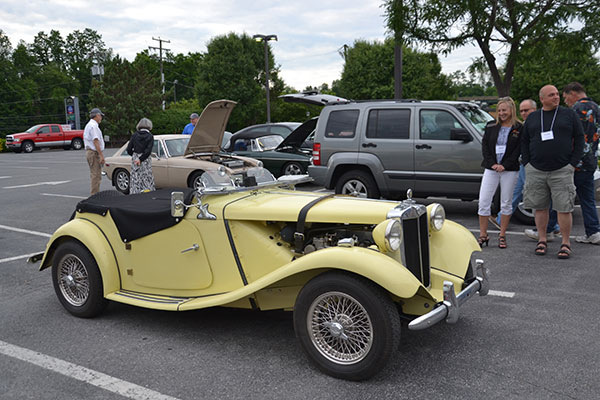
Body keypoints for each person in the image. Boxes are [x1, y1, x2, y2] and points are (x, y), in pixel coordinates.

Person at [521, 85, 585, 258]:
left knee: (564, 208)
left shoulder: (569, 114)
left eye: (557, 94)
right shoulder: (534, 117)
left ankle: (565, 243)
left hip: (562, 170)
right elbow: (524, 141)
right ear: (542, 99)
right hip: (536, 170)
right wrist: (527, 163)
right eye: (551, 95)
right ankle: (542, 239)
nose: (556, 97)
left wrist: (572, 163)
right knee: (540, 208)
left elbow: (580, 138)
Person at [494, 99, 560, 241]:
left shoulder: (540, 124)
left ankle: (552, 227)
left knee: (537, 195)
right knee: (517, 191)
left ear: (535, 110)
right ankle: (500, 219)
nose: (524, 113)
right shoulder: (524, 125)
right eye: (522, 111)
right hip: (524, 164)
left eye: (527, 110)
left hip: (534, 166)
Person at [477, 97, 522, 248]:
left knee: (506, 203)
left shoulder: (519, 128)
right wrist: (492, 164)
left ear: (511, 111)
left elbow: (518, 150)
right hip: (492, 169)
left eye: (504, 110)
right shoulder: (490, 126)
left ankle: (502, 235)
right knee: (484, 201)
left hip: (509, 170)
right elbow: (485, 147)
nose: (501, 113)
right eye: (499, 110)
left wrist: (505, 165)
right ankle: (483, 234)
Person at [562, 82, 600, 244]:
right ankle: (594, 231)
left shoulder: (576, 110)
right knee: (587, 199)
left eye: (565, 97)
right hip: (591, 160)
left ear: (573, 93)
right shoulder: (597, 108)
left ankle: (549, 228)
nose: (565, 101)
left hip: (576, 162)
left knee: (559, 197)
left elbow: (570, 136)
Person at [126, 118, 155, 194]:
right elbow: (148, 150)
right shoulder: (150, 136)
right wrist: (141, 158)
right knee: (146, 177)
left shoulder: (134, 135)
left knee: (136, 177)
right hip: (145, 159)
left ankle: (135, 193)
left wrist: (135, 156)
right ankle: (147, 192)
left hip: (135, 157)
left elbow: (129, 148)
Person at [83, 108, 106, 195]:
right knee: (96, 175)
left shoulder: (90, 125)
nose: (101, 118)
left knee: (95, 174)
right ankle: (94, 195)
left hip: (90, 152)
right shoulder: (93, 126)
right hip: (93, 152)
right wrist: (101, 155)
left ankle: (94, 194)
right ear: (97, 115)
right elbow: (96, 141)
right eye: (100, 116)